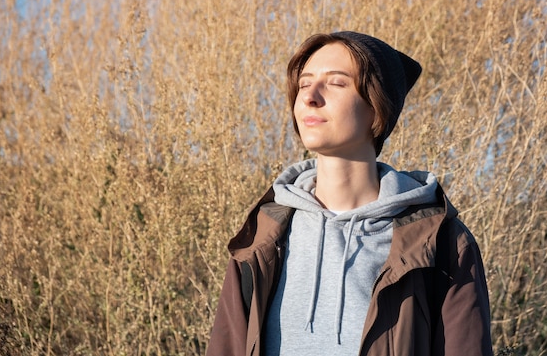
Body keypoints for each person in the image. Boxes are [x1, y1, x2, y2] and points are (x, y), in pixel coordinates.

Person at [206, 31, 493, 356]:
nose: (310, 97)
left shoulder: (440, 244)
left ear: (377, 108)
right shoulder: (263, 235)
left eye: (337, 83)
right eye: (303, 84)